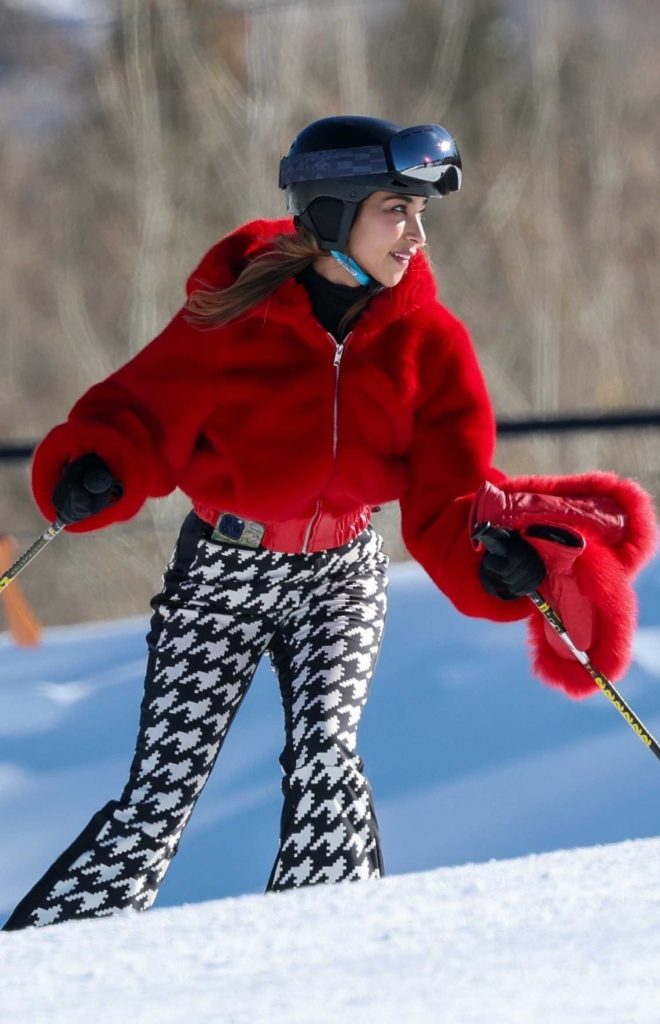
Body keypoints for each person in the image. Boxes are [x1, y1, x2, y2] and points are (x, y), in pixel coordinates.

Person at [3, 116, 655, 931]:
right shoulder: (229, 323)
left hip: (342, 575)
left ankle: (321, 953)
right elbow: (136, 412)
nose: (416, 235)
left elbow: (450, 494)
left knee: (328, 763)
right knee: (159, 796)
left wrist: (498, 567)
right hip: (227, 573)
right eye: (397, 211)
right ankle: (50, 960)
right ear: (332, 212)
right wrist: (99, 464)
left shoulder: (429, 343)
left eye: (421, 214)